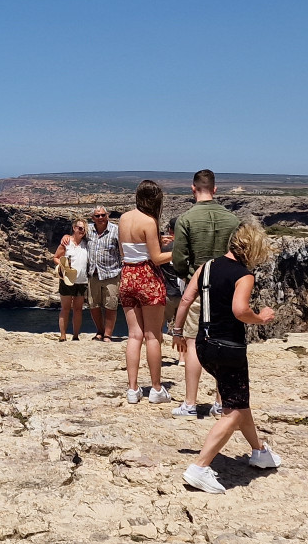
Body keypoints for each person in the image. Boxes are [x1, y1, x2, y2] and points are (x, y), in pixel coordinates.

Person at [182, 221, 283, 493]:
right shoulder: (244, 275)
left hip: (204, 344)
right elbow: (240, 310)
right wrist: (261, 318)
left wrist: (178, 331)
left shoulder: (207, 266)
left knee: (238, 400)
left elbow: (186, 298)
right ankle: (200, 467)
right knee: (234, 410)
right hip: (229, 347)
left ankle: (259, 451)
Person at [170, 170, 238, 417]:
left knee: (192, 344)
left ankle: (190, 403)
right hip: (227, 290)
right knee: (221, 345)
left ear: (193, 188)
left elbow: (179, 259)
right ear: (215, 189)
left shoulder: (186, 219)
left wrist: (189, 275)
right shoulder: (232, 220)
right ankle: (220, 402)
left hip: (198, 287)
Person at [117, 180, 176, 405]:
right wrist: (177, 247)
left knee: (134, 335)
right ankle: (156, 389)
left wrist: (158, 243)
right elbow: (157, 258)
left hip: (127, 275)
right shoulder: (149, 221)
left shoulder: (123, 218)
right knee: (153, 335)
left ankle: (132, 389)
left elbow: (128, 250)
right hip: (147, 278)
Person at [84, 207, 122, 341]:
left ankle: (107, 334)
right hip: (93, 273)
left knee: (111, 305)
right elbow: (74, 236)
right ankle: (99, 331)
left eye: (103, 215)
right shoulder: (87, 230)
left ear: (108, 215)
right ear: (92, 218)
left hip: (111, 273)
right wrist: (66, 236)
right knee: (94, 305)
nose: (100, 218)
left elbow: (122, 250)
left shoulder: (116, 230)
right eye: (97, 216)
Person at [53, 219, 90, 342]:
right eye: (79, 228)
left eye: (84, 229)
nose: (82, 231)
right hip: (67, 279)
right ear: (74, 228)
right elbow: (56, 257)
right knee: (65, 308)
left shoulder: (87, 243)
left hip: (82, 280)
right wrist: (64, 266)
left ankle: (75, 335)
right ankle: (63, 335)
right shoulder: (66, 242)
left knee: (78, 309)